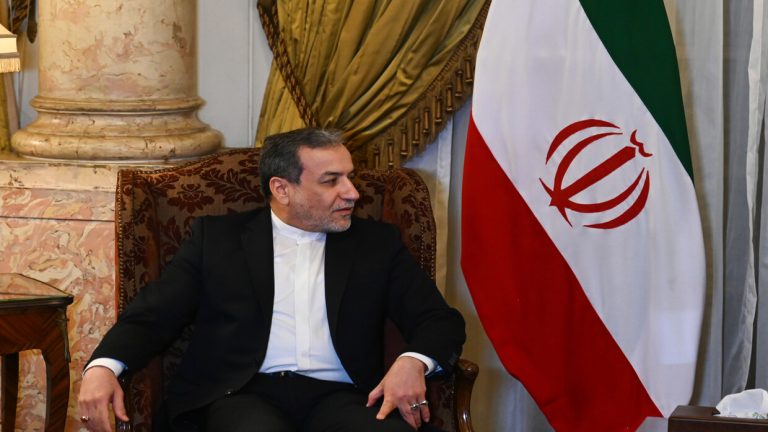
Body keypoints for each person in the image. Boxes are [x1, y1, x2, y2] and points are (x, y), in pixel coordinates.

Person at [78, 127, 465, 432]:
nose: (352, 193)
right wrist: (103, 368)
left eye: (350, 177)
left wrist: (413, 362)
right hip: (240, 394)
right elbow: (153, 315)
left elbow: (439, 320)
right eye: (331, 180)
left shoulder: (375, 244)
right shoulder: (218, 240)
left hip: (347, 396)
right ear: (282, 189)